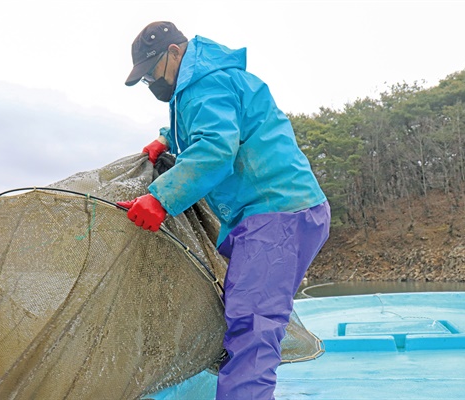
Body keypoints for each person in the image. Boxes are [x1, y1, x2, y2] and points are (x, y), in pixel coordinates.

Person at [118, 21, 330, 400]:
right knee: (245, 321)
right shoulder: (206, 78)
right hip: (271, 215)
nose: (152, 82)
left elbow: (215, 149)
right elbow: (215, 126)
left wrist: (159, 199)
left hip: (276, 215)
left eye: (152, 72)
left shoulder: (205, 83)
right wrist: (167, 139)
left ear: (174, 52)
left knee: (253, 328)